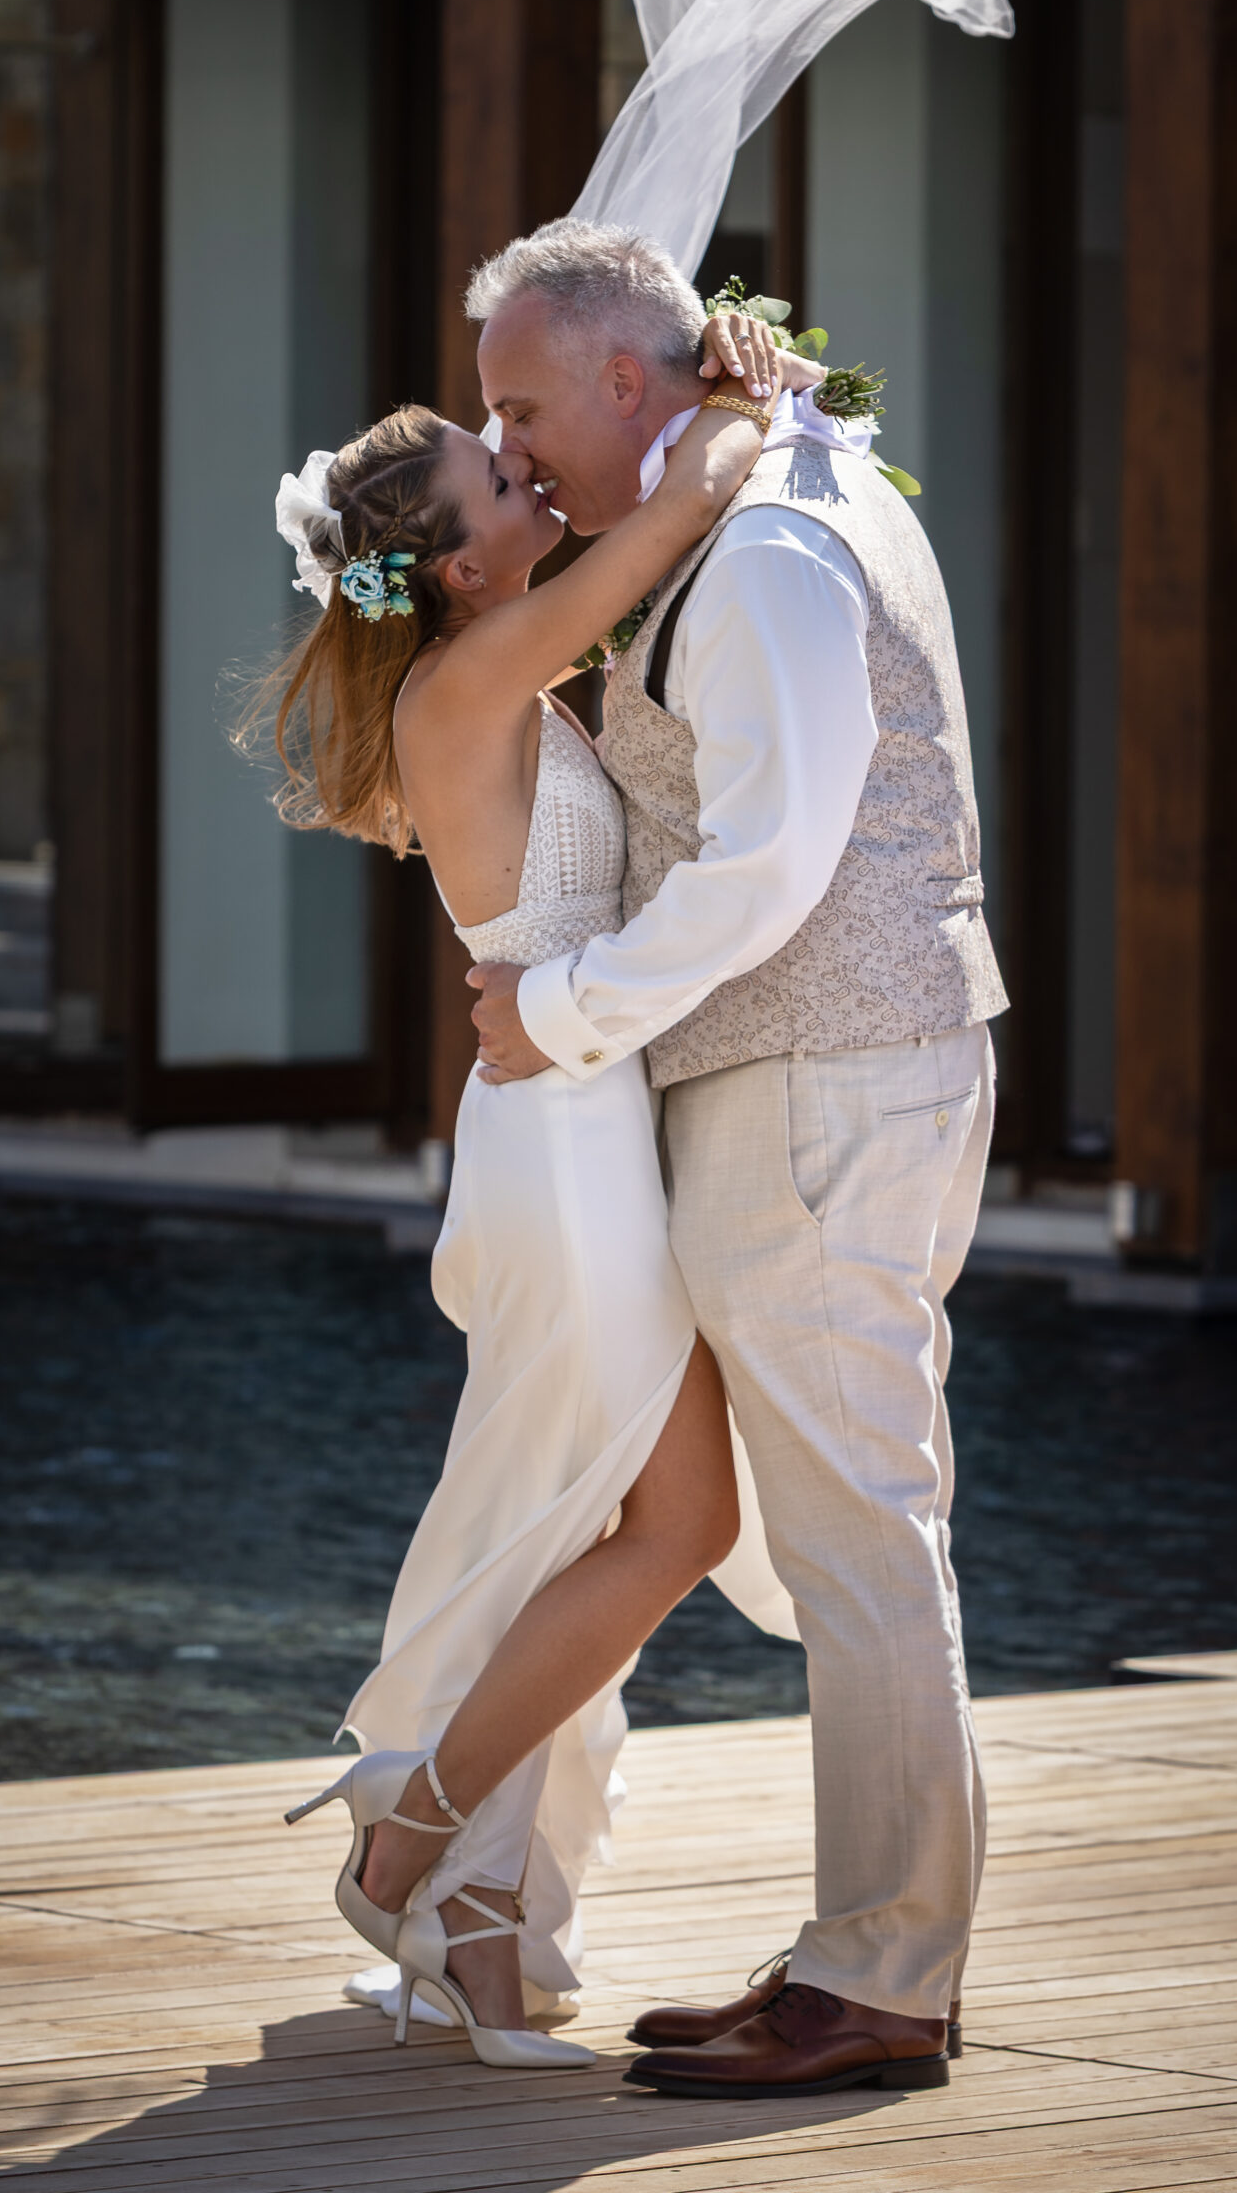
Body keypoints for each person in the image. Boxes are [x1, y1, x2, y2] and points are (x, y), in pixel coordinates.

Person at [468, 215, 1008, 2099]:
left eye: (524, 405)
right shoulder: (779, 487)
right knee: (857, 1517)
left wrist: (566, 1013)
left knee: (861, 1520)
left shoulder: (768, 550)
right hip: (848, 1069)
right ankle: (869, 1951)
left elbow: (776, 858)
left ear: (635, 376)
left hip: (821, 1076)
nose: (512, 448)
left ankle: (881, 1978)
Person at [260, 302, 813, 2073]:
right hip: (565, 1145)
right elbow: (677, 516)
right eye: (499, 476)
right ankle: (415, 1837)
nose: (528, 473)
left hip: (568, 1117)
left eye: (514, 451)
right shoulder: (479, 674)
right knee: (674, 1527)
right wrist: (739, 400)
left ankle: (482, 1932)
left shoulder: (483, 668)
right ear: (463, 568)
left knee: (588, 1526)